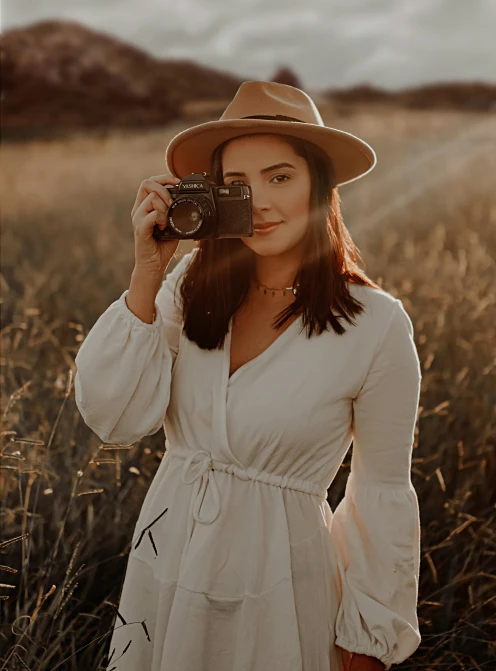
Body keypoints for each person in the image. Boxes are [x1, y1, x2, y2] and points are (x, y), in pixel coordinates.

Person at [74, 81, 422, 671]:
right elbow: (114, 418)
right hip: (169, 565)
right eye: (236, 185)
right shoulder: (189, 287)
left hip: (283, 586)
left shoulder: (375, 324)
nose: (258, 202)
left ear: (320, 185)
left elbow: (380, 493)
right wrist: (146, 275)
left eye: (279, 177)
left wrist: (367, 645)